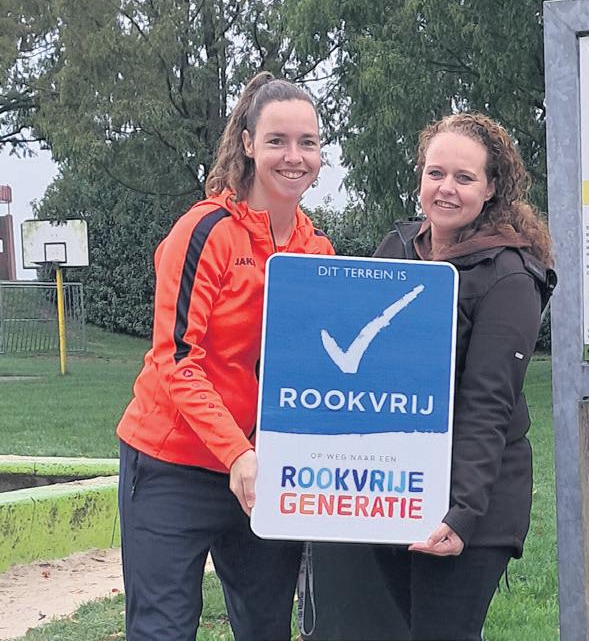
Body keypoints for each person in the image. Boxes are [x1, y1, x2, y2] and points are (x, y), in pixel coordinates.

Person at [301, 112, 555, 641]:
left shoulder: (510, 276)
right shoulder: (397, 249)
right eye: (436, 173)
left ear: (491, 188)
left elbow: (489, 404)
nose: (446, 188)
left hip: (473, 505)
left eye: (464, 177)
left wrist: (462, 513)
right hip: (394, 493)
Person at [116, 71, 335, 641]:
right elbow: (176, 359)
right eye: (277, 141)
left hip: (265, 469)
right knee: (163, 630)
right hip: (172, 464)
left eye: (307, 143)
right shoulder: (205, 230)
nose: (294, 157)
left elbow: (315, 369)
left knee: (266, 629)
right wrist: (236, 451)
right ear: (247, 143)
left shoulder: (318, 250)